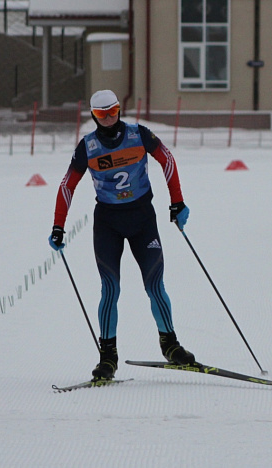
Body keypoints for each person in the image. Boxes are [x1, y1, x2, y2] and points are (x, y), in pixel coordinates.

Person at [48, 89, 196, 381]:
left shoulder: (138, 134)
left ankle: (170, 345)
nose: (109, 118)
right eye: (102, 114)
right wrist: (58, 226)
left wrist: (177, 201)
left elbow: (167, 160)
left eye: (113, 111)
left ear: (119, 110)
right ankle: (108, 357)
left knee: (155, 284)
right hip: (108, 224)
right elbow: (67, 185)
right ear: (93, 115)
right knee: (110, 290)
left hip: (143, 220)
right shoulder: (87, 147)